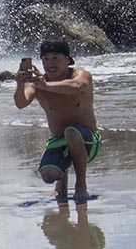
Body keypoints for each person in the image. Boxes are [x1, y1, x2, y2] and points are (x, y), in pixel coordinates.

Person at [14, 38, 101, 204]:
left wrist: (45, 85)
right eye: (46, 59)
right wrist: (20, 84)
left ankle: (81, 185)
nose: (50, 63)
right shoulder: (37, 83)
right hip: (59, 140)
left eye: (55, 58)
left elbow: (76, 86)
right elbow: (20, 103)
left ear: (67, 59)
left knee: (72, 132)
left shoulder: (80, 75)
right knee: (47, 176)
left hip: (87, 139)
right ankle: (62, 177)